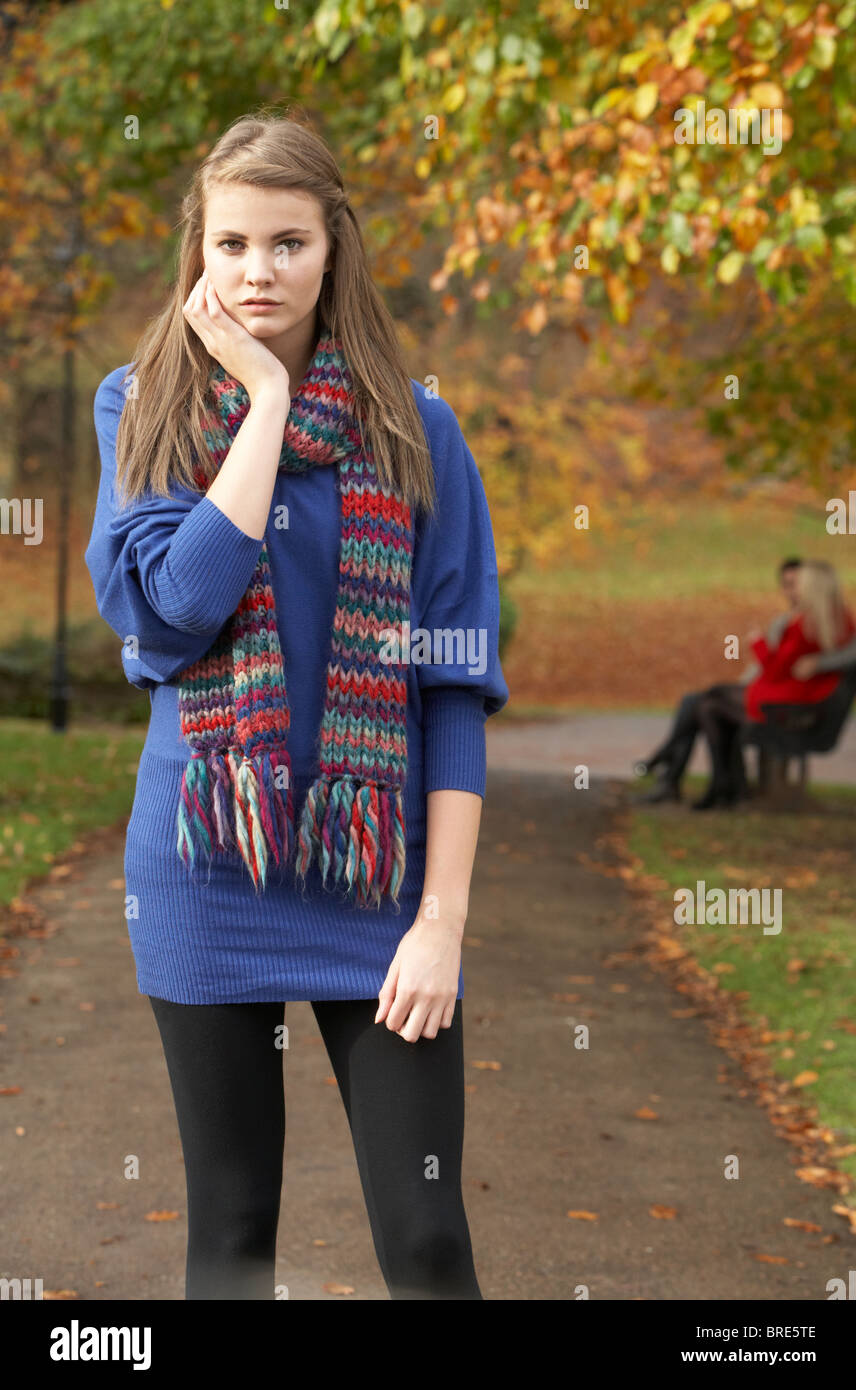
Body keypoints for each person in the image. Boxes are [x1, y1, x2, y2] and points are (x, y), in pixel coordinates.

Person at [84, 109, 509, 1301]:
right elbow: (170, 612)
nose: (256, 271)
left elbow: (452, 686)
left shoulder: (418, 436)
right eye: (229, 245)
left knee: (427, 1240)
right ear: (198, 254)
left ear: (334, 250)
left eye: (286, 242)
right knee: (232, 1234)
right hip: (203, 861)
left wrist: (442, 920)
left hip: (378, 883)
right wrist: (264, 405)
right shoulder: (144, 409)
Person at [633, 557, 856, 804]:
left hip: (786, 701)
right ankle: (707, 782)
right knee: (704, 702)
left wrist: (758, 643)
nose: (793, 590)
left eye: (798, 584)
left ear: (813, 586)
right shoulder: (817, 620)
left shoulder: (807, 623)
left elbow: (778, 667)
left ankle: (672, 763)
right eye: (787, 584)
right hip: (786, 694)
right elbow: (776, 667)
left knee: (707, 702)